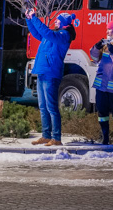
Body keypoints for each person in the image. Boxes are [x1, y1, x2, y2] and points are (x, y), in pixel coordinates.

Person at [26, 8, 76, 147]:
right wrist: (29, 20)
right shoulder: (53, 35)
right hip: (42, 72)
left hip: (51, 74)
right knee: (43, 107)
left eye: (58, 20)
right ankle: (46, 136)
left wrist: (35, 18)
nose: (55, 21)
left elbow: (45, 32)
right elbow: (37, 33)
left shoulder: (63, 35)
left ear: (64, 23)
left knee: (51, 107)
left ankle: (56, 138)